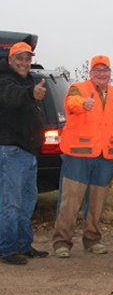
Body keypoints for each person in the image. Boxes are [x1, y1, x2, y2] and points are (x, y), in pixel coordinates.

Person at [52, 55, 113, 258]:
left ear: (110, 73)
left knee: (97, 202)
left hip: (105, 156)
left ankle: (92, 239)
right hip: (78, 155)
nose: (101, 74)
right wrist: (83, 104)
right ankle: (61, 242)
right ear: (91, 73)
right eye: (97, 70)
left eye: (105, 70)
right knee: (70, 201)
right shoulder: (78, 88)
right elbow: (71, 103)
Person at [0, 42, 49, 265]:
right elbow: (11, 96)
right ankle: (7, 249)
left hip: (29, 153)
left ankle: (23, 245)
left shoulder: (27, 79)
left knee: (28, 200)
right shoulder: (5, 80)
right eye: (19, 58)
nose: (24, 62)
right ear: (10, 60)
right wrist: (31, 92)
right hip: (11, 152)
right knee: (11, 202)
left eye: (27, 59)